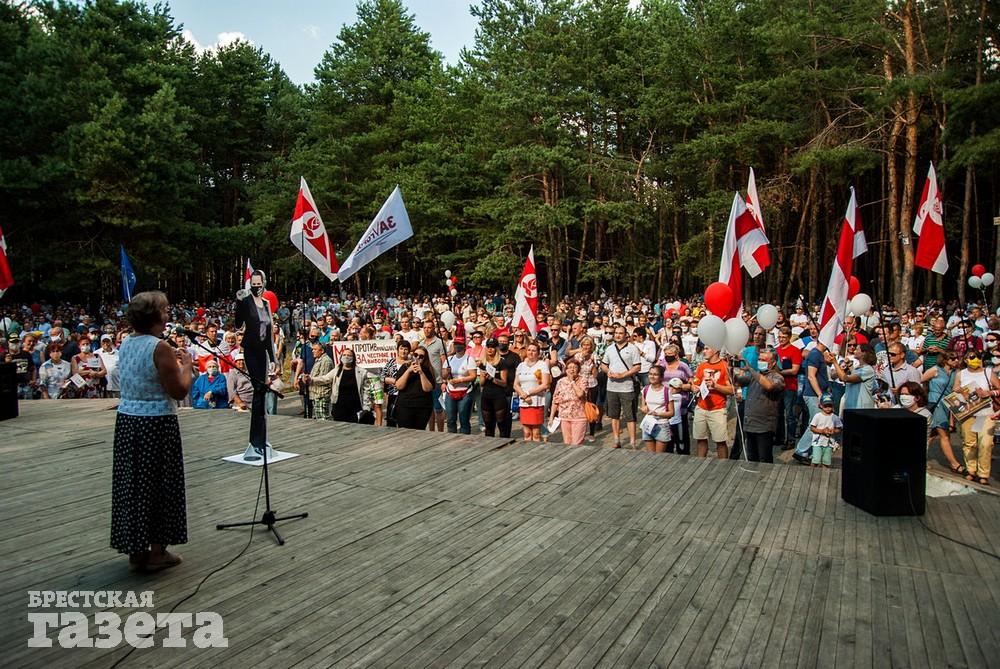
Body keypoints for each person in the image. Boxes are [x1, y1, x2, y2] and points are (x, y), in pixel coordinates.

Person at [111, 291, 193, 572]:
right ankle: (158, 552)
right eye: (165, 309)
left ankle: (136, 550)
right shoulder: (160, 348)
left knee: (133, 487)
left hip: (128, 422)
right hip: (156, 423)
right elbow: (178, 390)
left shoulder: (126, 342)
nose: (169, 313)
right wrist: (188, 368)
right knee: (160, 485)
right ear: (155, 315)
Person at [235, 270, 277, 450]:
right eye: (254, 283)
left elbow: (268, 333)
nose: (257, 287)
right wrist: (238, 303)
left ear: (264, 283)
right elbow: (238, 324)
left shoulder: (267, 304)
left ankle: (261, 437)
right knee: (258, 390)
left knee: (262, 392)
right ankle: (255, 439)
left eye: (260, 284)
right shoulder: (246, 302)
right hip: (251, 350)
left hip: (263, 352)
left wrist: (273, 357)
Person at [953, 352, 998, 485]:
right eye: (972, 357)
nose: (976, 359)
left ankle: (983, 473)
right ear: (966, 360)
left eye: (978, 356)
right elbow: (955, 389)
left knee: (985, 443)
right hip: (969, 413)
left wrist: (989, 392)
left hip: (985, 413)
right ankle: (971, 469)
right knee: (970, 443)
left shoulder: (988, 373)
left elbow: (999, 388)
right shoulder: (961, 373)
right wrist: (961, 391)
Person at [923, 352, 965, 475]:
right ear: (945, 359)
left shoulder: (955, 373)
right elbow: (920, 380)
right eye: (953, 358)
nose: (956, 359)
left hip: (947, 404)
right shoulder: (935, 370)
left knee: (932, 434)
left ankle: (920, 458)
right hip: (935, 403)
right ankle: (954, 463)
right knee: (944, 434)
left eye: (957, 357)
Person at [741, 348, 785, 463]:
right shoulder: (755, 376)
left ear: (773, 362)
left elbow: (769, 386)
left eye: (764, 360)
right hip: (750, 424)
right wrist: (732, 367)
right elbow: (738, 380)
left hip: (764, 427)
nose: (760, 362)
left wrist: (750, 368)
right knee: (751, 458)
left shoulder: (777, 377)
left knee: (764, 459)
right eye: (759, 359)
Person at [601, 325, 641, 448]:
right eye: (616, 333)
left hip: (627, 386)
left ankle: (633, 442)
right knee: (614, 415)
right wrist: (608, 372)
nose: (618, 335)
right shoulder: (609, 348)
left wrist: (623, 374)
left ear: (626, 335)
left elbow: (637, 366)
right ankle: (616, 440)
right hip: (612, 386)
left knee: (630, 415)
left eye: (620, 333)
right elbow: (603, 364)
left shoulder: (633, 348)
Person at [691, 345, 734, 459]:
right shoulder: (702, 365)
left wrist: (715, 386)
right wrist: (694, 387)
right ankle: (700, 464)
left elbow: (731, 390)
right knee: (701, 439)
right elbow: (695, 383)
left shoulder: (725, 366)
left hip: (717, 409)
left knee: (720, 442)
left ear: (715, 351)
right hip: (701, 407)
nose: (704, 351)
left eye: (707, 349)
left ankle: (723, 466)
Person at [514, 342, 551, 442]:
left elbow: (545, 384)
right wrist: (523, 395)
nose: (531, 352)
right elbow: (516, 384)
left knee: (536, 433)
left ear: (538, 353)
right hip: (524, 402)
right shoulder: (521, 365)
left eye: (534, 350)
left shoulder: (542, 365)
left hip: (536, 402)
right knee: (526, 432)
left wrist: (529, 393)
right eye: (529, 350)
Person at [478, 338, 514, 438]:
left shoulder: (502, 362)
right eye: (488, 347)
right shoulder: (483, 363)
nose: (490, 349)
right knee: (488, 425)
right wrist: (483, 377)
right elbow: (481, 383)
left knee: (501, 424)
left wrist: (492, 378)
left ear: (496, 348)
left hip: (498, 396)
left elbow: (504, 383)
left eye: (493, 347)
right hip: (486, 396)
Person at [394, 345, 435, 430]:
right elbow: (399, 386)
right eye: (416, 355)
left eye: (421, 356)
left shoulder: (427, 370)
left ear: (425, 358)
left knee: (419, 433)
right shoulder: (405, 367)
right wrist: (408, 371)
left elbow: (427, 388)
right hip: (405, 405)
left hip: (422, 407)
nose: (418, 358)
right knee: (404, 433)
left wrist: (421, 373)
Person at [443, 336, 477, 434]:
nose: (457, 346)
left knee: (464, 419)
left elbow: (473, 376)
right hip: (451, 392)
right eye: (456, 344)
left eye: (460, 344)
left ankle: (465, 438)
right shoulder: (449, 359)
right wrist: (447, 372)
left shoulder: (469, 359)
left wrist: (459, 380)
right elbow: (444, 376)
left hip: (465, 392)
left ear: (464, 346)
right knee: (450, 419)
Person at [550, 358, 588, 445]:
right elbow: (555, 400)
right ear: (566, 369)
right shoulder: (560, 382)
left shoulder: (583, 380)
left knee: (576, 443)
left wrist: (572, 381)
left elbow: (580, 394)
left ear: (578, 369)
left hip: (579, 416)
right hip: (564, 416)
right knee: (567, 443)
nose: (572, 370)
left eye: (574, 367)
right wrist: (552, 417)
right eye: (570, 367)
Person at [329, 348, 373, 423]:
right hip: (339, 408)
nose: (346, 357)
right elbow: (324, 379)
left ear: (353, 358)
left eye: (349, 355)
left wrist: (366, 407)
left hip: (355, 408)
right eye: (344, 355)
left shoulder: (361, 372)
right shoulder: (337, 370)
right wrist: (311, 380)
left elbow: (366, 391)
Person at [832, 343, 878, 411]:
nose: (854, 351)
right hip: (852, 407)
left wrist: (834, 362)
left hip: (862, 408)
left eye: (857, 349)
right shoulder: (858, 368)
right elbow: (854, 374)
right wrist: (849, 365)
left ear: (863, 353)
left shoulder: (867, 369)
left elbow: (845, 378)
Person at [638, 365, 674, 452]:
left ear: (661, 377)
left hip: (661, 425)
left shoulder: (667, 391)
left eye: (655, 374)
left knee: (659, 457)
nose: (652, 376)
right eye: (650, 374)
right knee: (650, 456)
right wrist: (643, 409)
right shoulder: (645, 389)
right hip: (648, 424)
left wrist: (657, 413)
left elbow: (671, 413)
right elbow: (643, 406)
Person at [381, 340, 411, 428]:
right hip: (393, 394)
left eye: (406, 349)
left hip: (407, 395)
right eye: (401, 348)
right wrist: (394, 381)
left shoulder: (411, 363)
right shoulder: (391, 362)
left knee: (405, 421)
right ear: (397, 350)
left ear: (409, 351)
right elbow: (382, 376)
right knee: (391, 420)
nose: (403, 351)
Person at [809, 394, 842, 468]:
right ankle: (810, 474)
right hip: (817, 443)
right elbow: (812, 428)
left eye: (830, 406)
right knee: (815, 460)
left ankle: (824, 477)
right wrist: (822, 431)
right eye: (825, 406)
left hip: (829, 443)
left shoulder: (835, 417)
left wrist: (834, 431)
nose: (828, 408)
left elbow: (839, 428)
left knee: (826, 462)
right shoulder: (817, 416)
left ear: (833, 406)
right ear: (820, 406)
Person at [305, 342, 334, 420]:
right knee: (319, 418)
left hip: (321, 394)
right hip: (316, 394)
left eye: (315, 349)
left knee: (323, 419)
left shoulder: (326, 361)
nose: (312, 351)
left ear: (322, 351)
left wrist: (310, 379)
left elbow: (324, 379)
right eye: (312, 349)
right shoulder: (318, 359)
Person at [96, 333, 120, 398]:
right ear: (101, 343)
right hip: (103, 386)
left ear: (111, 342)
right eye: (104, 342)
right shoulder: (96, 353)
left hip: (117, 386)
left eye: (107, 341)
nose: (106, 343)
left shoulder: (118, 353)